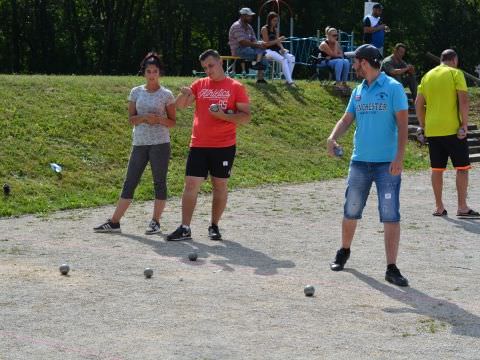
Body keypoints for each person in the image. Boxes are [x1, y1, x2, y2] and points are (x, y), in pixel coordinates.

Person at [326, 44, 409, 287]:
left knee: (390, 214)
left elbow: (403, 126)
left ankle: (391, 268)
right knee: (351, 209)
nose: (353, 65)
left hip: (387, 165)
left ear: (365, 62)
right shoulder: (358, 91)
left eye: (356, 61)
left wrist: (399, 157)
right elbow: (346, 119)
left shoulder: (393, 88)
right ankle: (344, 251)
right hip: (360, 162)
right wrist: (333, 137)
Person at [167, 49, 251, 241]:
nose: (208, 70)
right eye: (205, 68)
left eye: (211, 65)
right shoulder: (200, 84)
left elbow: (246, 117)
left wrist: (224, 116)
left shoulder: (236, 86)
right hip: (198, 143)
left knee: (219, 185)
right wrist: (185, 94)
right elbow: (179, 106)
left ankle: (214, 225)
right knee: (191, 184)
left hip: (223, 145)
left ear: (220, 62)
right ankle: (185, 227)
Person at [94, 53, 176, 234]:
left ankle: (155, 222)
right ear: (144, 73)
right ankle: (114, 222)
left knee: (159, 182)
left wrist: (159, 120)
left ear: (159, 73)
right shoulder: (136, 92)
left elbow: (172, 122)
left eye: (155, 71)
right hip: (139, 143)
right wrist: (144, 118)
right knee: (130, 181)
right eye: (149, 71)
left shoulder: (166, 94)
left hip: (160, 143)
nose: (152, 75)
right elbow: (131, 119)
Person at [415, 49, 479, 218]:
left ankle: (439, 207)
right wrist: (464, 124)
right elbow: (463, 100)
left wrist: (423, 125)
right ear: (455, 60)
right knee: (462, 168)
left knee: (437, 169)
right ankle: (462, 207)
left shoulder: (427, 76)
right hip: (453, 129)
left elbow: (418, 103)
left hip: (433, 130)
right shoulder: (456, 73)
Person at [229, 7, 269, 84]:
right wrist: (258, 46)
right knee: (262, 56)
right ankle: (258, 74)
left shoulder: (249, 27)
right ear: (242, 16)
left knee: (262, 51)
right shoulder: (236, 26)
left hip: (249, 48)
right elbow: (242, 42)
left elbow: (254, 40)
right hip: (238, 50)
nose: (251, 17)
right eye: (249, 16)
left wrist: (260, 45)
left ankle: (257, 66)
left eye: (250, 15)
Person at [260, 11, 296, 87]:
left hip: (276, 50)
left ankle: (287, 80)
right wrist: (278, 39)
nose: (276, 22)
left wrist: (282, 49)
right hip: (267, 51)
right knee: (284, 60)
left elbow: (278, 42)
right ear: (269, 20)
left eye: (277, 20)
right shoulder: (264, 29)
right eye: (274, 20)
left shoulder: (275, 29)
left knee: (292, 58)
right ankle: (290, 82)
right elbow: (267, 44)